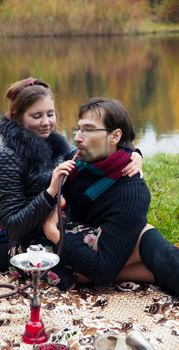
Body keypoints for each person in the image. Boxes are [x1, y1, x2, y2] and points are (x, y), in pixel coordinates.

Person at [0, 79, 142, 275]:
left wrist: (134, 154)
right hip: (22, 215)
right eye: (36, 116)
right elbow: (15, 224)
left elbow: (95, 152)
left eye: (50, 114)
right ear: (18, 118)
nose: (46, 122)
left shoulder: (58, 144)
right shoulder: (9, 154)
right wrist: (47, 192)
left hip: (33, 215)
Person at [43, 97, 179, 296]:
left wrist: (52, 231)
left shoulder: (131, 193)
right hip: (94, 237)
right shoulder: (79, 164)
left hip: (100, 245)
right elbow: (31, 175)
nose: (77, 138)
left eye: (88, 130)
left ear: (114, 136)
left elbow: (102, 270)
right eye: (78, 129)